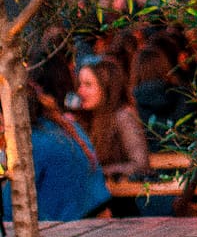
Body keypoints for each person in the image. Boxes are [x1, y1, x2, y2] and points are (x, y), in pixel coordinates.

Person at [2, 82, 111, 222]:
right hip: (98, 217)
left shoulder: (31, 142)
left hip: (70, 230)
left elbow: (10, 208)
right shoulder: (64, 125)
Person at [76, 56, 150, 180]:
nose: (80, 91)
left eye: (88, 85)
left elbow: (141, 164)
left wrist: (100, 172)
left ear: (106, 87)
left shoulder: (123, 116)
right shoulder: (88, 118)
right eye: (80, 84)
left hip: (121, 195)